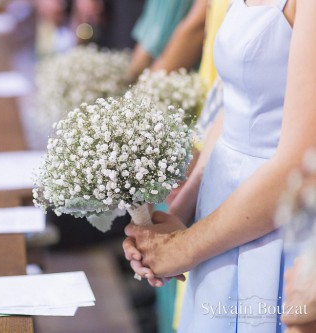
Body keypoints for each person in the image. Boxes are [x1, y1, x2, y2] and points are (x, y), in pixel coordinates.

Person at [123, 0, 316, 332]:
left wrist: (184, 248)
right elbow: (235, 102)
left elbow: (296, 164)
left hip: (273, 221)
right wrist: (178, 216)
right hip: (221, 214)